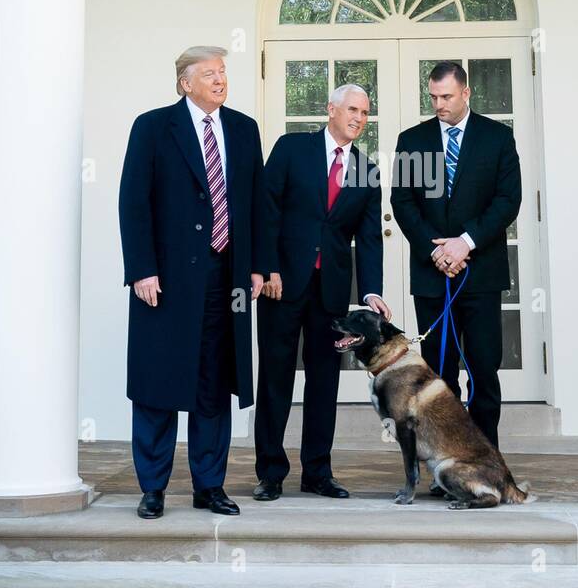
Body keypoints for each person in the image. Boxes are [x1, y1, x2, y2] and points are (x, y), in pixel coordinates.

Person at [118, 45, 267, 518]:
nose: (220, 80)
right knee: (158, 384)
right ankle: (154, 488)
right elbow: (133, 202)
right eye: (210, 73)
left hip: (228, 279)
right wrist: (141, 268)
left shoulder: (244, 130)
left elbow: (258, 205)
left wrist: (259, 267)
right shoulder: (152, 127)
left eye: (223, 72)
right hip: (164, 282)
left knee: (214, 384)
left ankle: (210, 485)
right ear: (185, 82)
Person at [252, 83, 391, 501]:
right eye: (352, 109)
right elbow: (266, 209)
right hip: (282, 285)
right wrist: (266, 267)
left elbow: (369, 238)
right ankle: (271, 474)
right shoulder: (292, 148)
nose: (359, 118)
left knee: (324, 382)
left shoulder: (367, 170)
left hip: (330, 293)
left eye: (365, 113)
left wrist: (370, 293)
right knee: (275, 379)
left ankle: (317, 472)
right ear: (330, 109)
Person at [390, 61, 521, 470]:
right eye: (433, 97)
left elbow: (507, 201)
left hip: (481, 274)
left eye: (446, 97)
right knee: (438, 378)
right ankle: (443, 464)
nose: (439, 105)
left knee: (484, 371)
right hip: (433, 277)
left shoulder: (498, 138)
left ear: (466, 93)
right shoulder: (412, 140)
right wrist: (437, 251)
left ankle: (485, 463)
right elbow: (402, 202)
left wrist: (465, 243)